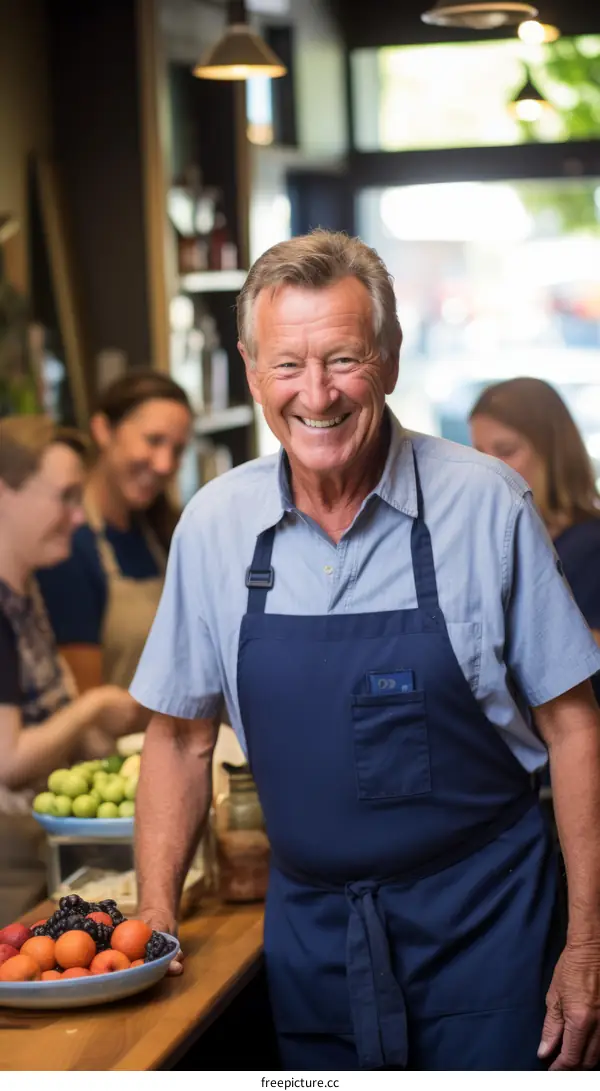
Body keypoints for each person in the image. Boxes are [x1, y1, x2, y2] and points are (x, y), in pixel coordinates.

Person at [129, 231, 600, 1072]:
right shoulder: (213, 526)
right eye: (287, 366)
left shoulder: (486, 504)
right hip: (313, 940)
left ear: (387, 358)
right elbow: (177, 737)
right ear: (249, 370)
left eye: (342, 358)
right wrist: (155, 927)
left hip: (490, 924)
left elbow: (574, 727)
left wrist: (588, 946)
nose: (317, 394)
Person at [0, 417, 146, 915]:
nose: (78, 517)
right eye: (64, 497)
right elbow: (10, 761)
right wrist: (95, 706)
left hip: (42, 857)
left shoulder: (25, 592)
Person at [37, 370, 193, 693]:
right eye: (153, 440)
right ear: (103, 430)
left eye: (177, 450)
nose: (165, 464)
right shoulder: (70, 547)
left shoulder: (163, 532)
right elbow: (84, 702)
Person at [469, 377, 600, 655]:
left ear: (552, 453)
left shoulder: (591, 544)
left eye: (506, 451)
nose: (491, 468)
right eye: (479, 455)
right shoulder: (492, 540)